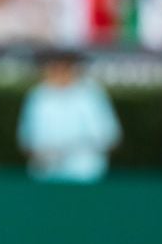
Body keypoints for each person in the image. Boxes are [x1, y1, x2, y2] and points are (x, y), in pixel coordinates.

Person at [17, 49, 121, 183]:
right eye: (54, 65)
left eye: (64, 66)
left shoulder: (91, 94)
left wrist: (78, 149)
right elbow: (26, 141)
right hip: (45, 178)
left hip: (86, 177)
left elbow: (110, 137)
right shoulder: (37, 96)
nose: (59, 70)